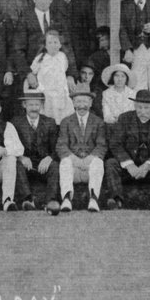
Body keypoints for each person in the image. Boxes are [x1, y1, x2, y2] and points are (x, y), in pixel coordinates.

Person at [104, 88, 150, 210]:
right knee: (111, 163)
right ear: (134, 105)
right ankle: (116, 199)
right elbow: (115, 144)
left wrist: (147, 165)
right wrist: (129, 165)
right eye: (139, 107)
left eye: (146, 108)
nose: (143, 111)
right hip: (128, 169)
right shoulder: (124, 118)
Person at [56, 84, 106, 212]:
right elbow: (61, 145)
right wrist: (74, 159)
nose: (82, 105)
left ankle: (93, 199)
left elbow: (101, 145)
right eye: (78, 101)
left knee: (98, 162)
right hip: (73, 167)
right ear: (73, 103)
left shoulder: (98, 122)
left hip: (90, 166)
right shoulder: (66, 122)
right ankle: (67, 199)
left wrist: (90, 158)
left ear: (91, 103)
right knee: (65, 162)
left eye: (85, 101)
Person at [11, 90, 60, 211]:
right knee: (16, 164)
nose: (34, 108)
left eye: (37, 105)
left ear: (41, 106)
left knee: (55, 166)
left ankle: (50, 202)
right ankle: (28, 200)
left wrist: (49, 158)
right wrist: (21, 157)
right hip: (26, 164)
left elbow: (56, 147)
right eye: (31, 105)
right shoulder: (16, 123)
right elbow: (11, 145)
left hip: (44, 164)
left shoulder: (50, 122)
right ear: (24, 105)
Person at [23, 0, 78, 86]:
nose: (43, 1)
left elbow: (67, 46)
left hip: (57, 73)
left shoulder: (58, 17)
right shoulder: (25, 19)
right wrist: (28, 73)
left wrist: (71, 74)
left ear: (51, 0)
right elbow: (18, 49)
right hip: (34, 73)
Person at [52, 0, 96, 73]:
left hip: (80, 55)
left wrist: (88, 54)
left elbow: (91, 29)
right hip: (57, 53)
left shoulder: (83, 2)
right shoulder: (51, 1)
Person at [29, 29, 74, 124]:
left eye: (55, 42)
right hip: (46, 91)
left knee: (62, 113)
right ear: (45, 46)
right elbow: (33, 71)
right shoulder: (41, 58)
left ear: (60, 45)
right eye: (49, 43)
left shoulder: (63, 57)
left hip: (60, 91)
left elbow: (64, 71)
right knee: (48, 113)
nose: (53, 45)